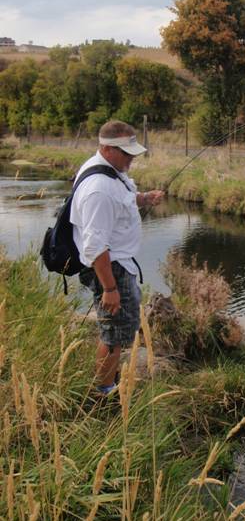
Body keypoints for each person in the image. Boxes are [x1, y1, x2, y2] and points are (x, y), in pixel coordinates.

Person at [71, 120, 164, 396]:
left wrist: (144, 198)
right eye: (127, 152)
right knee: (115, 334)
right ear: (107, 148)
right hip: (110, 269)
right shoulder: (98, 189)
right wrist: (110, 289)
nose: (132, 157)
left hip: (118, 266)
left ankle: (107, 383)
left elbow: (121, 197)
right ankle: (103, 391)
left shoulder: (110, 170)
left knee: (119, 330)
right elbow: (95, 246)